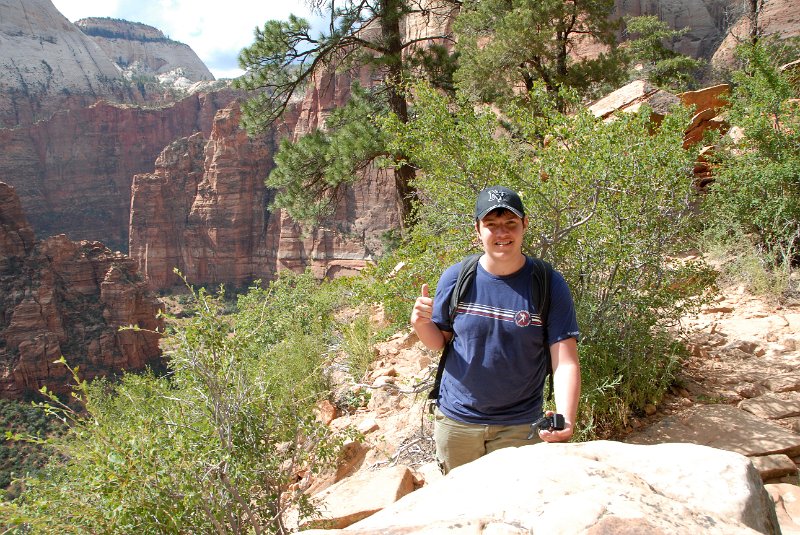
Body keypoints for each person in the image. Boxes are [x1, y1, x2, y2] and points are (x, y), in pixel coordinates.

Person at [410, 185, 581, 474]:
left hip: (519, 425)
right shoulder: (457, 277)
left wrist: (565, 417)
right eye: (491, 224)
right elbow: (440, 342)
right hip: (457, 422)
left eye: (510, 223)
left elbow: (564, 361)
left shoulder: (548, 283)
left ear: (525, 224)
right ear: (477, 230)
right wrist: (421, 324)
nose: (502, 233)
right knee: (461, 499)